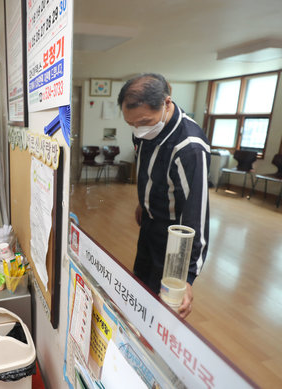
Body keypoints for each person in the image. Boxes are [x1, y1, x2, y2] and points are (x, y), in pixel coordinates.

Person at [118, 73, 210, 319]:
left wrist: (187, 277)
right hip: (149, 221)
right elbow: (148, 169)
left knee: (163, 303)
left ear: (167, 103)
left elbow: (195, 215)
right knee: (140, 285)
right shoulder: (143, 129)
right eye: (132, 124)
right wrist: (144, 202)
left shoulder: (189, 148)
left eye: (145, 122)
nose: (139, 130)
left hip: (173, 234)